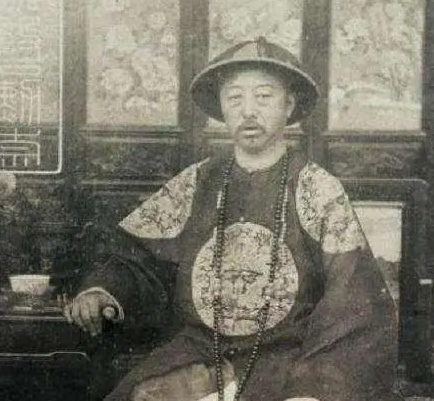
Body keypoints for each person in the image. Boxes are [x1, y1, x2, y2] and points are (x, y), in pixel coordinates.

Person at [66, 37, 402, 401]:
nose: (248, 111)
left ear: (288, 105)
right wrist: (103, 288)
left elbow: (354, 299)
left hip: (287, 360)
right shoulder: (196, 182)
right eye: (235, 98)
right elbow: (136, 257)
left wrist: (314, 386)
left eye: (264, 96)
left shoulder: (317, 188)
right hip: (197, 355)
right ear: (222, 108)